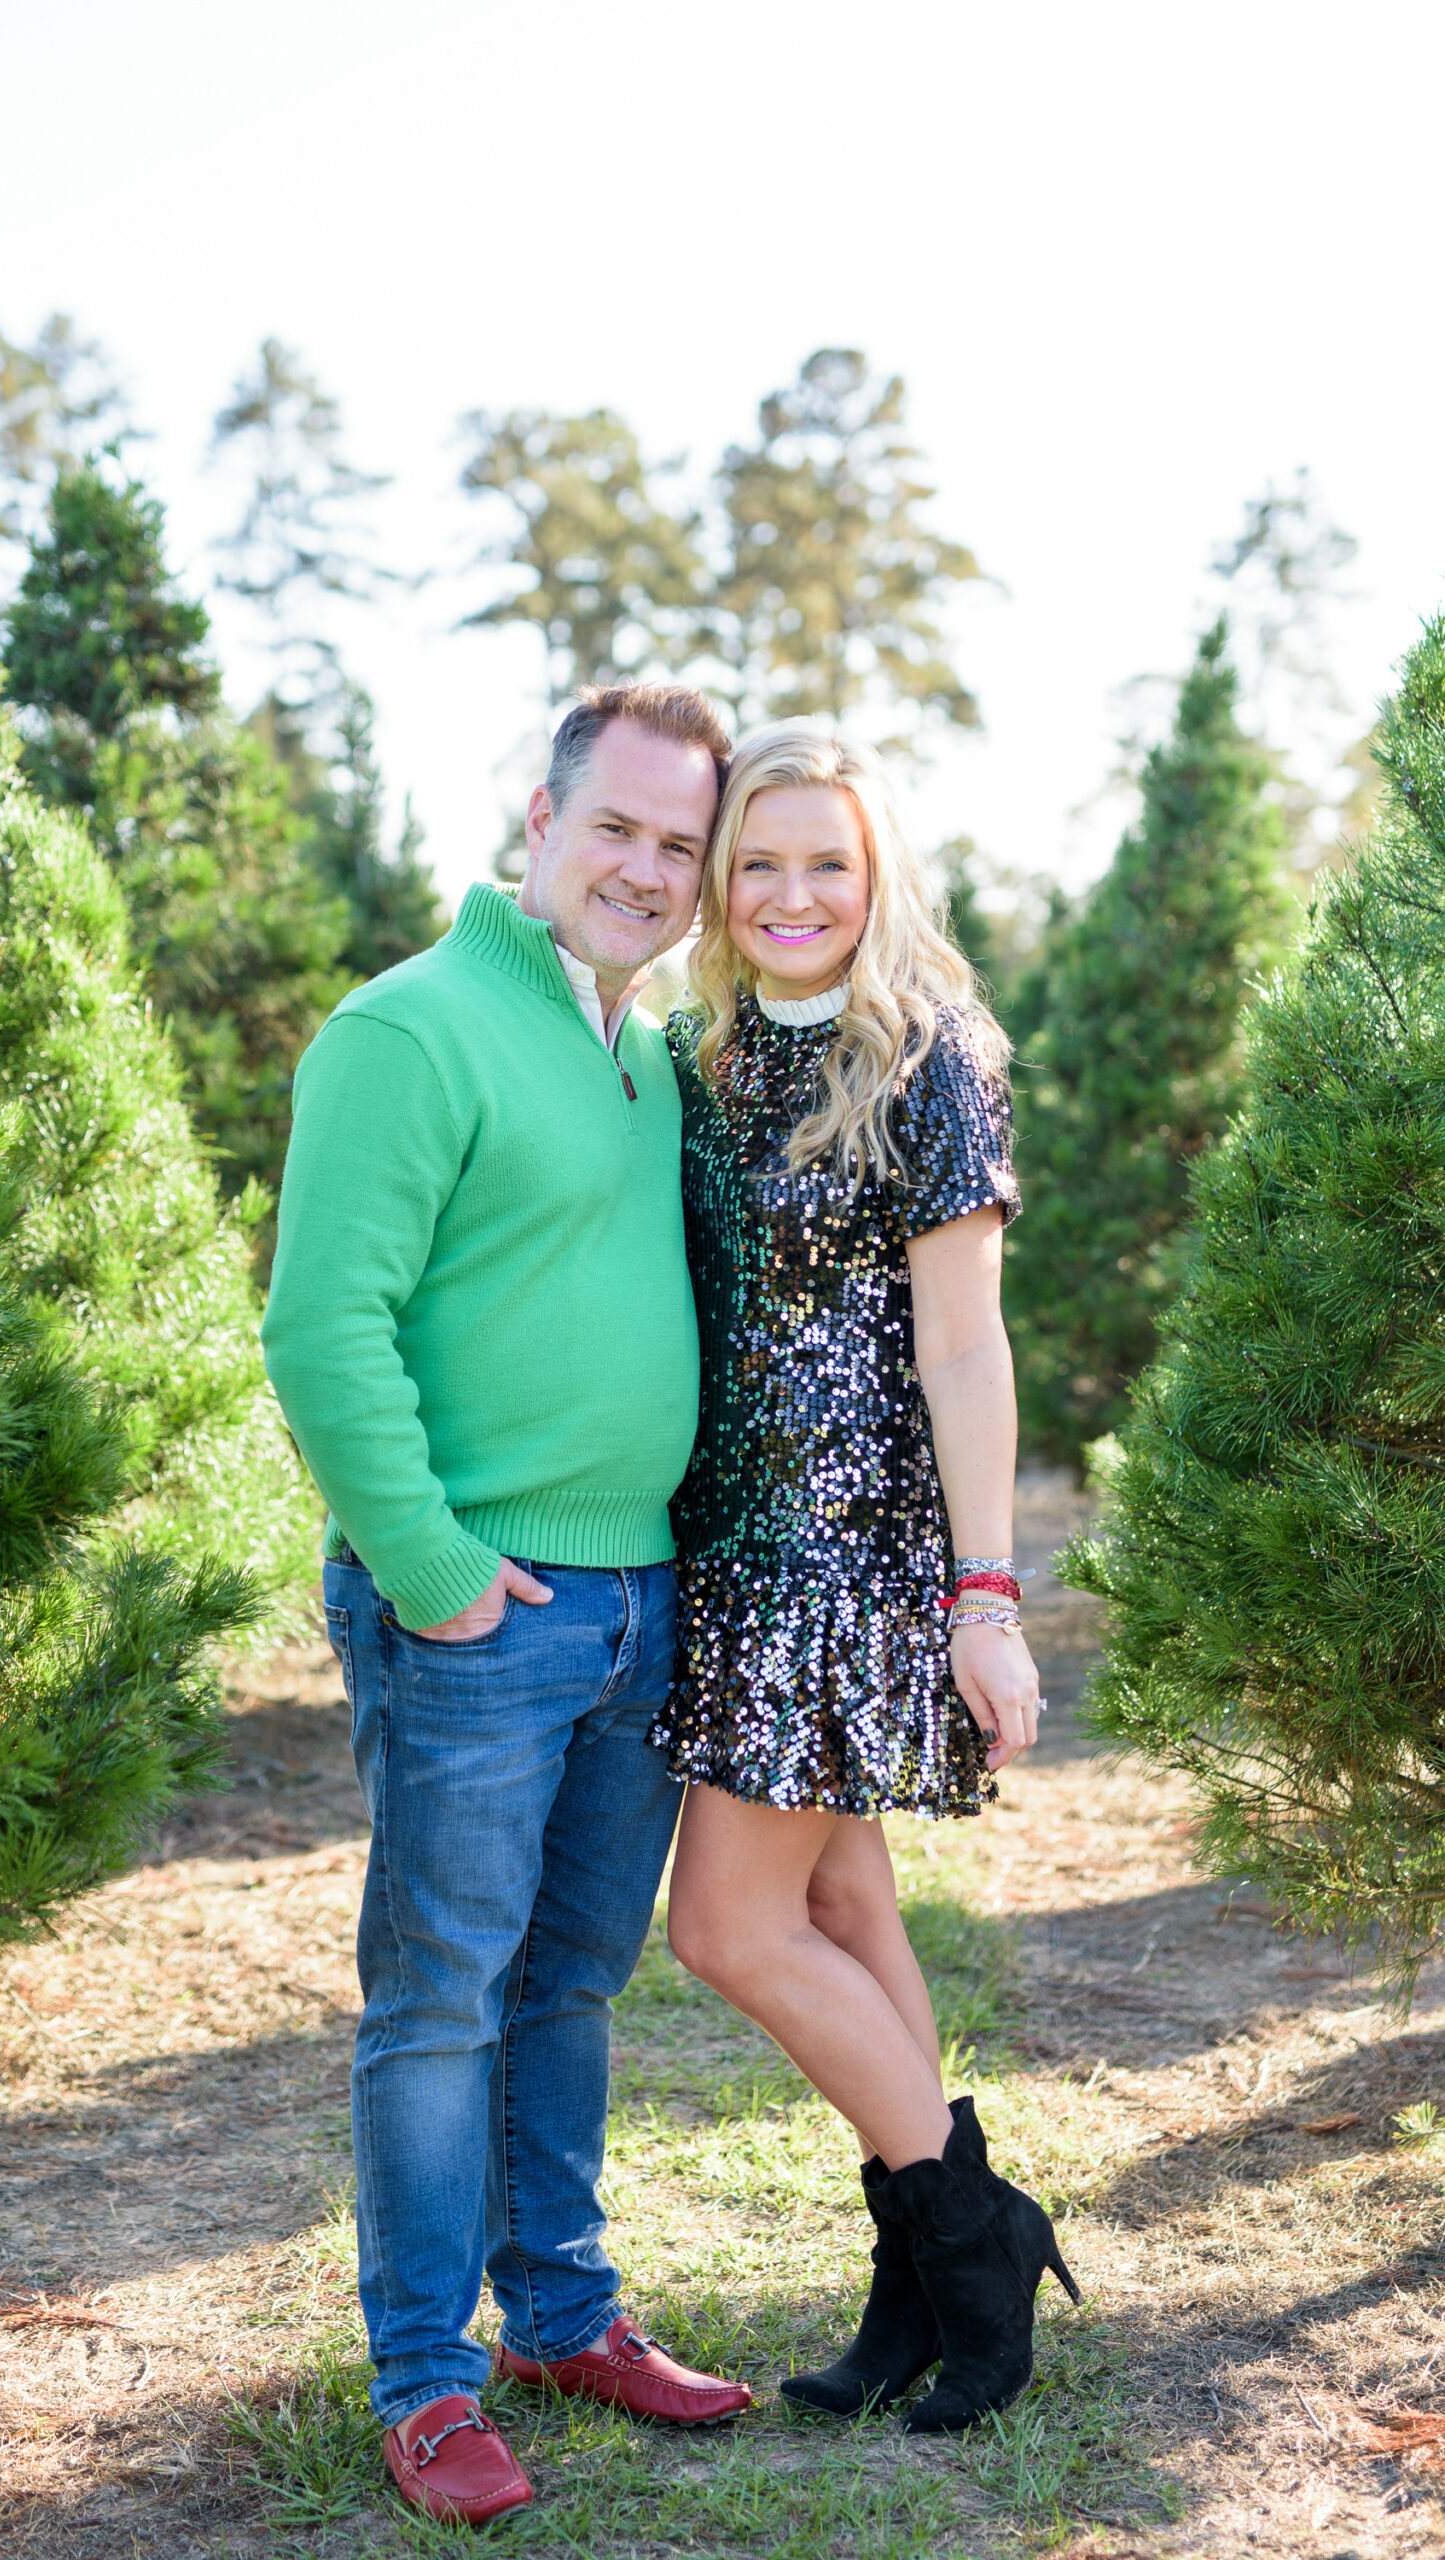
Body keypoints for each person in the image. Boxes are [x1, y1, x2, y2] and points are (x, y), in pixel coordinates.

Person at [261, 684, 754, 2528]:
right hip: (484, 1605)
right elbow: (322, 1327)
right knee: (442, 1998)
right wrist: (437, 1571)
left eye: (676, 846)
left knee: (569, 1980)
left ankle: (561, 2312)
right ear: (534, 821)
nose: (643, 868)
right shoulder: (411, 1029)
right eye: (613, 827)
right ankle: (426, 2381)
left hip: (639, 1593)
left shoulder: (641, 1051)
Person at [655, 722, 1080, 2435]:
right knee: (841, 1908)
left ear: (878, 875)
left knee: (724, 1928)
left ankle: (970, 2240)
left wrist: (987, 1596)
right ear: (715, 881)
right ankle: (923, 2283)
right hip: (726, 1533)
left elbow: (966, 1347)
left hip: (851, 1550)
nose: (790, 893)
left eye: (826, 860)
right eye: (757, 860)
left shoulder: (928, 1056)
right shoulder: (711, 1052)